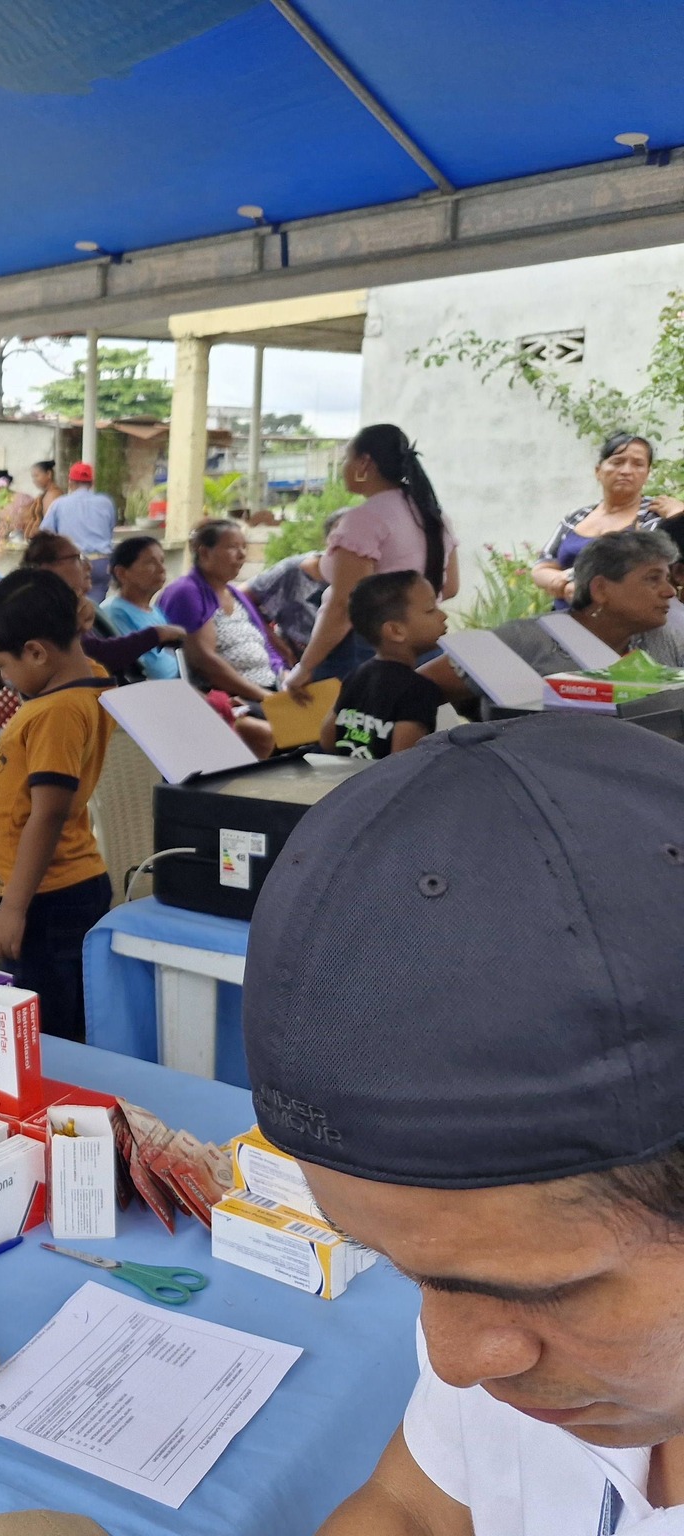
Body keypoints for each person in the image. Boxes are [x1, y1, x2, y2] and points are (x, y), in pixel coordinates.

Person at [243, 712, 684, 1535]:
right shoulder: (514, 1333)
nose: (453, 1361)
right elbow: (412, 1504)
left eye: (548, 1293)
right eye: (409, 1273)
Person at [0, 569, 112, 1043]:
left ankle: (56, 1089)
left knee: (49, 1027)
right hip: (51, 890)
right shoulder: (87, 682)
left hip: (49, 898)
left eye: (3, 665)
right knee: (59, 1012)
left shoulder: (57, 712)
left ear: (35, 651)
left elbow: (48, 812)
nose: (4, 679)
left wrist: (13, 908)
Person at [422, 529, 684, 707]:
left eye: (667, 579)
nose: (670, 591)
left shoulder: (664, 640)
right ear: (601, 589)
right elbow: (416, 688)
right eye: (653, 579)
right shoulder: (527, 640)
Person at [285, 424, 460, 687]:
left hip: (364, 651)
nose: (343, 468)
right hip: (424, 645)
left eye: (346, 459)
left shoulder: (363, 520)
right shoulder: (435, 515)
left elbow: (344, 606)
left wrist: (305, 667)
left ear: (364, 463)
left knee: (357, 715)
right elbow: (451, 587)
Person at [159, 518, 285, 756]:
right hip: (232, 696)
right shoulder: (187, 592)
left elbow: (263, 643)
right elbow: (203, 661)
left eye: (244, 547)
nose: (242, 554)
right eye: (232, 547)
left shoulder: (235, 593)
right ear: (205, 553)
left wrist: (283, 674)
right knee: (301, 724)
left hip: (269, 689)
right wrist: (265, 696)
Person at [530, 432, 684, 608]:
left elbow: (638, 568)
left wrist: (679, 517)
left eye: (638, 464)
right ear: (598, 471)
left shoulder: (654, 516)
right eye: (617, 462)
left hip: (626, 620)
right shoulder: (577, 516)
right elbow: (542, 566)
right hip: (564, 618)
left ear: (647, 474)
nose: (626, 471)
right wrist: (563, 584)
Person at [319, 571, 447, 760]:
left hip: (351, 775)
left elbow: (327, 738)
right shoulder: (418, 690)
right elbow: (404, 762)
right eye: (430, 610)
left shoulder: (356, 675)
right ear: (395, 631)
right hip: (386, 779)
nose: (443, 616)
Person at [26, 532, 181, 685]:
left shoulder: (81, 607)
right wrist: (156, 634)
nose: (89, 566)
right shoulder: (46, 612)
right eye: (77, 558)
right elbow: (98, 656)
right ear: (47, 567)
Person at [245, 517, 340, 660]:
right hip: (300, 663)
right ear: (327, 540)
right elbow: (241, 596)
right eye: (339, 538)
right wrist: (280, 647)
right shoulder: (294, 570)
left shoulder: (371, 575)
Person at [98, 534, 182, 681]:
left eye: (162, 561)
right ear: (121, 573)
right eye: (150, 563)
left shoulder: (154, 611)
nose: (162, 569)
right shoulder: (114, 612)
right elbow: (137, 667)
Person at [40, 461, 119, 600]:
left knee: (71, 605)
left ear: (70, 483)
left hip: (73, 564)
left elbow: (45, 534)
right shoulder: (106, 502)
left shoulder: (59, 504)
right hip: (101, 563)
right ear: (92, 483)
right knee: (95, 608)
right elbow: (110, 528)